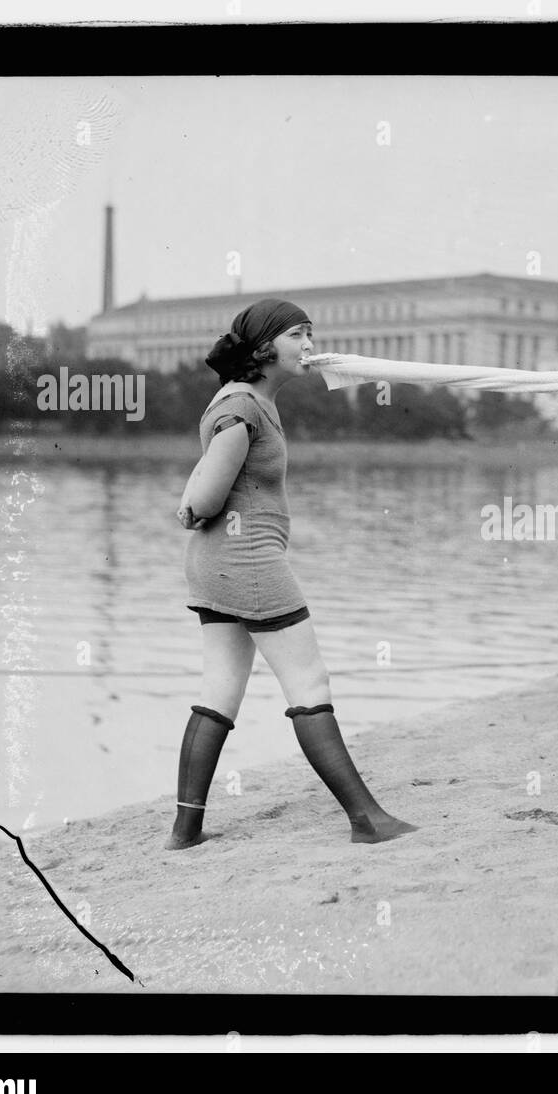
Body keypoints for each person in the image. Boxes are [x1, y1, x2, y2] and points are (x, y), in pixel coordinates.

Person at [167, 297, 417, 850]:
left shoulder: (246, 401)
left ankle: (185, 831)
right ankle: (367, 820)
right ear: (264, 348)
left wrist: (193, 502)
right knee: (309, 683)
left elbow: (205, 479)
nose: (309, 346)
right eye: (298, 335)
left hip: (218, 565)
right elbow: (209, 490)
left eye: (310, 335)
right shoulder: (243, 408)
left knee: (220, 689)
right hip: (249, 562)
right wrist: (193, 504)